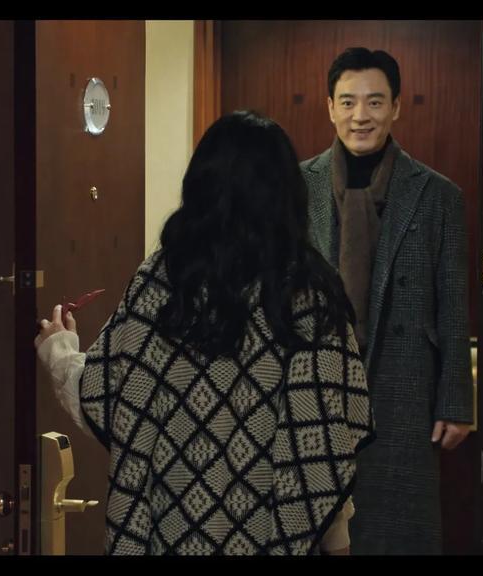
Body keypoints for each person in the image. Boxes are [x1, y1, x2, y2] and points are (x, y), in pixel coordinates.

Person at [35, 110, 373, 555]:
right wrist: (340, 544)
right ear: (288, 193)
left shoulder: (162, 284)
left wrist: (59, 350)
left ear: (200, 185)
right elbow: (324, 454)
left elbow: (111, 403)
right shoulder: (311, 295)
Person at [301, 47, 473, 555]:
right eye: (348, 102)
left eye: (375, 102)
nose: (361, 116)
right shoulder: (297, 185)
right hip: (314, 384)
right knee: (314, 523)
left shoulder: (437, 194)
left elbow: (453, 304)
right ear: (329, 107)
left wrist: (456, 402)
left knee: (398, 531)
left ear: (396, 107)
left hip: (405, 385)